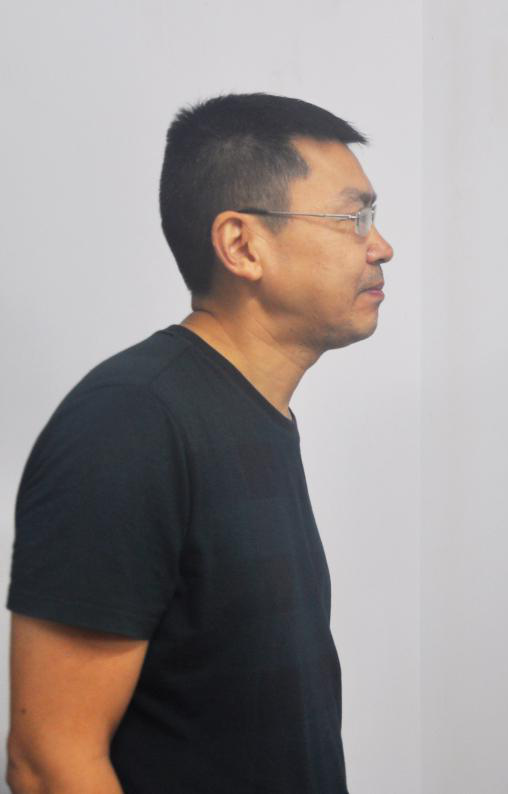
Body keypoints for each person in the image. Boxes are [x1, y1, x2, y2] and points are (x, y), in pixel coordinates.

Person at [7, 93, 393, 793]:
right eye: (353, 218)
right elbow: (49, 763)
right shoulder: (131, 424)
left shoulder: (251, 413)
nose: (380, 245)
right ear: (242, 245)